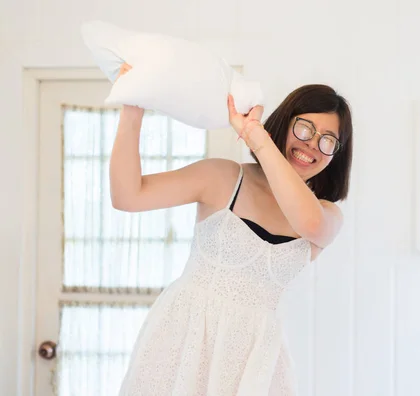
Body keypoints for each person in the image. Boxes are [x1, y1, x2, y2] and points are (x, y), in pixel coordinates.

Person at [111, 63, 353, 395]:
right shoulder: (223, 177)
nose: (313, 144)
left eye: (328, 140)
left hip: (255, 359)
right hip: (184, 339)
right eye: (305, 128)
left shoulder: (326, 215)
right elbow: (128, 196)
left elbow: (308, 223)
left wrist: (258, 138)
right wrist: (132, 107)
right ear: (284, 124)